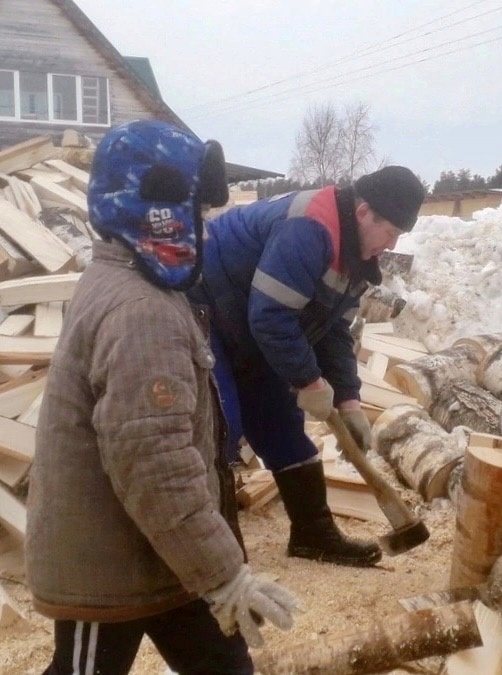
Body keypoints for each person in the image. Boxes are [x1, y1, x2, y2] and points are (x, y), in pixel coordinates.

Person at [24, 120, 297, 675]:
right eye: (197, 212)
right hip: (106, 564)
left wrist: (213, 564)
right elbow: (156, 463)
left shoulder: (134, 284)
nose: (202, 228)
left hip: (163, 554)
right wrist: (225, 574)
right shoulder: (141, 310)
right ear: (159, 208)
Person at [189, 165, 426, 568]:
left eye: (398, 237)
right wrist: (308, 380)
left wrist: (349, 401)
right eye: (389, 233)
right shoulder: (310, 228)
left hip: (252, 321)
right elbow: (271, 316)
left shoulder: (354, 259)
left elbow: (333, 333)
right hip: (207, 307)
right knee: (221, 427)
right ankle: (214, 560)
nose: (390, 245)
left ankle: (312, 533)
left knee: (281, 425)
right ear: (364, 211)